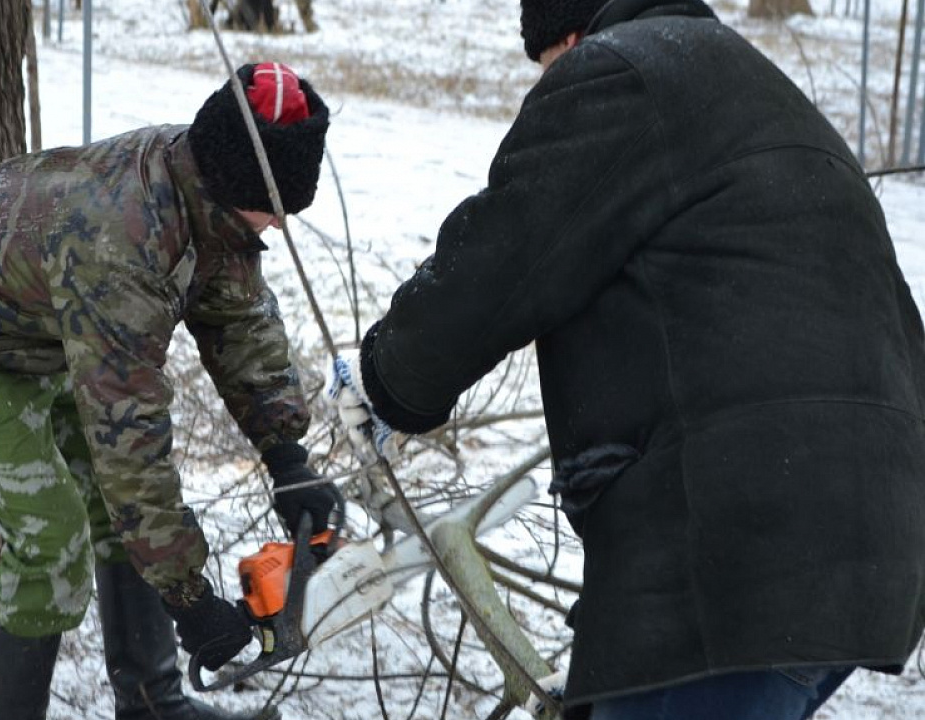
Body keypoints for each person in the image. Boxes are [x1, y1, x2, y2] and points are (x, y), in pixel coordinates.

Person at [325, 0, 925, 717]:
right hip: (867, 537)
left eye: (547, 66)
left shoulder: (621, 73)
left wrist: (385, 380)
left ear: (572, 36)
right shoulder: (758, 92)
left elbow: (503, 258)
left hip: (738, 552)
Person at [0, 62, 340, 720]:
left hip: (44, 333)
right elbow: (131, 449)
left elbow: (240, 323)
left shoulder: (212, 194)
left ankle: (153, 702)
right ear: (234, 183)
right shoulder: (123, 241)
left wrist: (285, 455)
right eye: (273, 209)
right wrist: (190, 600)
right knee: (53, 539)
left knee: (122, 510)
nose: (278, 225)